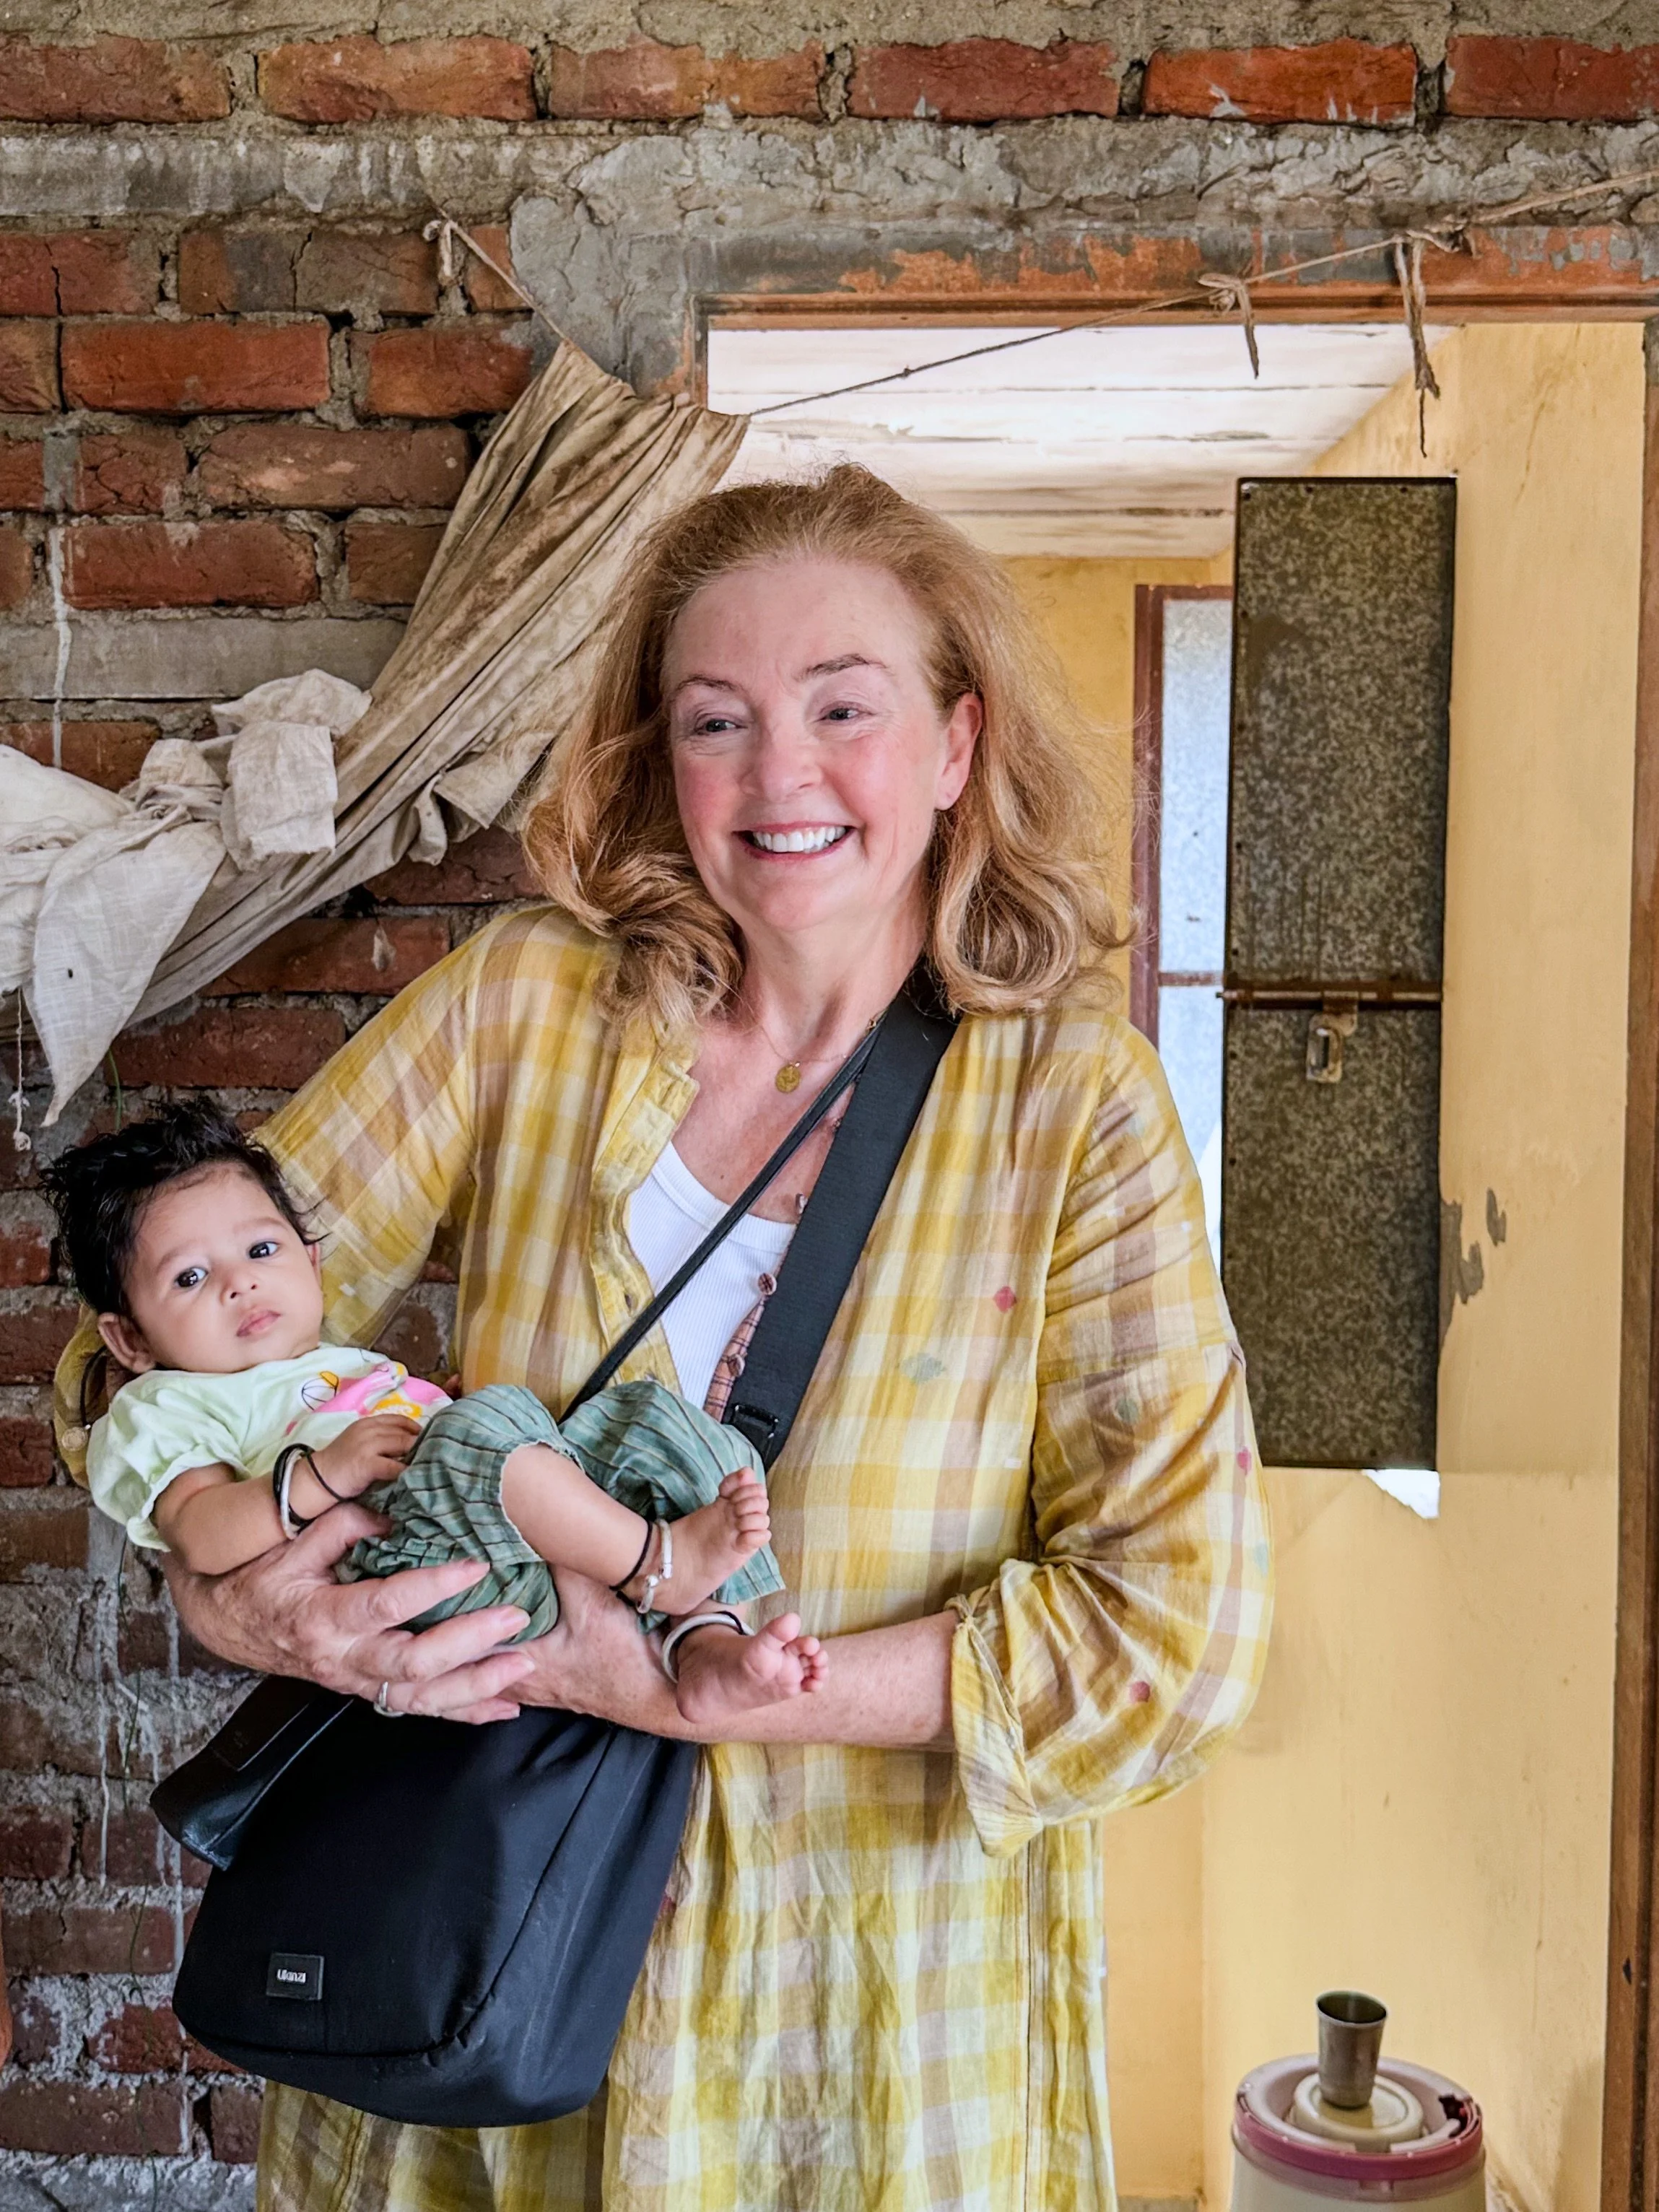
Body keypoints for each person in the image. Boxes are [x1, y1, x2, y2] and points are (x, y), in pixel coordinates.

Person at [56, 462, 1272, 2211]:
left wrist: (690, 1694)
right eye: (717, 721)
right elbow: (154, 1335)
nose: (781, 775)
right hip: (480, 1959)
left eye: (841, 707)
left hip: (860, 2022)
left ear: (952, 742)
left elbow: (1177, 1631)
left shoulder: (1071, 1100)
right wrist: (232, 1579)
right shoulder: (524, 1005)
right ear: (658, 762)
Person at [48, 1100, 822, 1726]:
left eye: (261, 1252)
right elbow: (202, 1531)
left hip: (503, 1529)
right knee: (486, 1427)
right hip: (411, 1569)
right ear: (128, 1337)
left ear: (311, 1262)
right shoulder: (164, 1406)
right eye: (188, 1276)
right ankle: (661, 1566)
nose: (239, 1286)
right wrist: (320, 1477)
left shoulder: (333, 1366)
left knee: (645, 1423)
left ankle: (706, 1646)